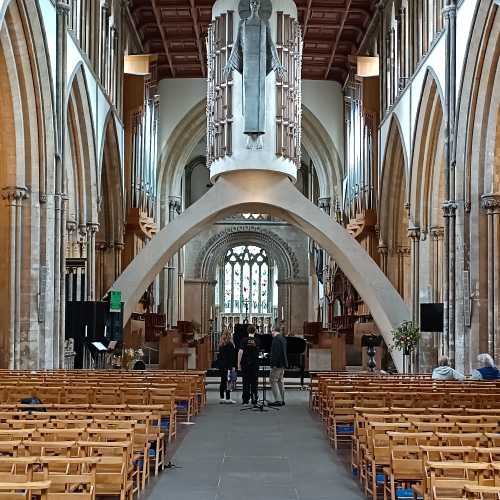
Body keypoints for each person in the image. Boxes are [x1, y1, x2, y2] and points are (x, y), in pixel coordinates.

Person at [238, 325, 260, 405]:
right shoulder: (257, 340)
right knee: (254, 382)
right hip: (254, 364)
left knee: (245, 382)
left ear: (247, 331)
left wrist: (238, 364)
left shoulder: (244, 340)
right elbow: (259, 352)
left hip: (245, 363)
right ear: (255, 331)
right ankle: (254, 400)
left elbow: (240, 352)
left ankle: (245, 400)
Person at [269, 327, 287, 407]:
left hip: (277, 364)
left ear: (274, 331)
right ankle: (282, 399)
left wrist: (274, 364)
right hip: (282, 363)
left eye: (271, 331)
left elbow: (276, 353)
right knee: (280, 381)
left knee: (273, 380)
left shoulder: (276, 339)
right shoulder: (283, 339)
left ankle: (277, 400)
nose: (271, 333)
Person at [217, 330, 237, 404]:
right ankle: (228, 398)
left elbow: (220, 357)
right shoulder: (230, 345)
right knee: (228, 381)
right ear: (230, 336)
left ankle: (222, 397)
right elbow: (231, 357)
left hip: (222, 366)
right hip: (228, 366)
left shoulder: (221, 344)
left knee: (223, 381)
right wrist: (233, 366)